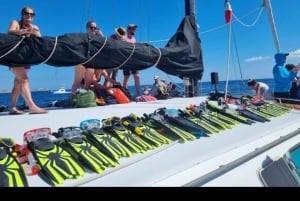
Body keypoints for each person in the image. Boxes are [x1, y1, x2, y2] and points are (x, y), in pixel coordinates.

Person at [7, 6, 48, 115]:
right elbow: (11, 32)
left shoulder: (35, 27)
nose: (29, 15)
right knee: (24, 80)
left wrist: (36, 33)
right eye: (27, 13)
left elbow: (40, 40)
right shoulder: (15, 22)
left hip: (26, 57)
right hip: (15, 56)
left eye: (32, 14)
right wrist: (26, 31)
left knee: (18, 82)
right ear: (22, 14)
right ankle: (31, 106)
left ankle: (12, 108)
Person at [71, 20, 104, 93]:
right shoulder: (82, 38)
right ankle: (73, 98)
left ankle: (82, 98)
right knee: (77, 83)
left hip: (90, 64)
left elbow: (106, 45)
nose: (93, 29)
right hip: (81, 63)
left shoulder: (97, 40)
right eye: (91, 27)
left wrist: (101, 35)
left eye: (95, 28)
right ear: (87, 28)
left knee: (87, 85)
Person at [123, 24, 141, 96]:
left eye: (134, 29)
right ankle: (125, 93)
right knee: (126, 77)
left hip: (134, 60)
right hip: (127, 60)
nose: (134, 30)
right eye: (133, 29)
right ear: (129, 29)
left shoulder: (134, 39)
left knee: (137, 76)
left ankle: (138, 93)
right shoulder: (124, 37)